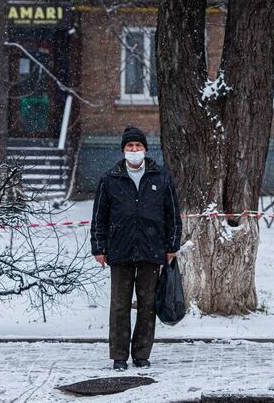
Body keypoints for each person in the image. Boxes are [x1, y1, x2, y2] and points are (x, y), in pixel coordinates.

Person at [90, 125, 182, 371]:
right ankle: (119, 355)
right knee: (119, 306)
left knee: (147, 304)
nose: (134, 150)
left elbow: (172, 214)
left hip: (152, 251)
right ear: (123, 150)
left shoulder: (161, 177)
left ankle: (141, 353)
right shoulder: (110, 179)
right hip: (119, 252)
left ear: (144, 149)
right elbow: (99, 216)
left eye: (138, 146)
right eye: (130, 146)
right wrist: (99, 247)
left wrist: (172, 245)